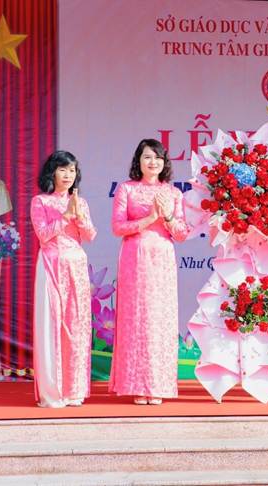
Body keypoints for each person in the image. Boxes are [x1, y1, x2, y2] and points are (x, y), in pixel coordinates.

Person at [109, 139, 188, 405]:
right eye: (147, 157)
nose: (153, 162)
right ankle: (136, 385)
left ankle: (158, 385)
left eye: (157, 157)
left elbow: (182, 234)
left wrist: (167, 217)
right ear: (138, 161)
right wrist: (150, 218)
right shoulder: (127, 189)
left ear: (164, 162)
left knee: (159, 320)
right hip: (135, 257)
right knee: (136, 319)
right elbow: (118, 227)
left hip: (162, 259)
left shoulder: (173, 193)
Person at [30, 151, 96, 408]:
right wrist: (65, 216)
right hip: (52, 265)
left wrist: (80, 217)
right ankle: (53, 390)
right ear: (52, 172)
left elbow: (90, 235)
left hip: (76, 265)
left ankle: (74, 388)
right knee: (53, 324)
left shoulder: (81, 202)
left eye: (72, 170)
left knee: (77, 325)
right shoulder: (40, 201)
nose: (68, 175)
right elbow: (43, 235)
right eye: (62, 169)